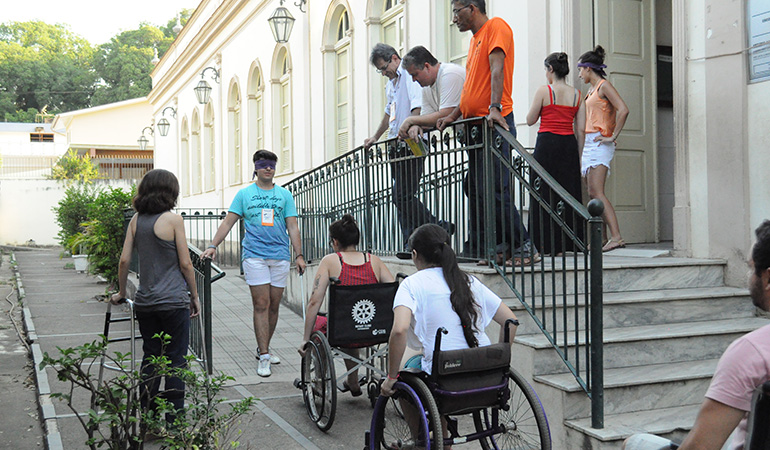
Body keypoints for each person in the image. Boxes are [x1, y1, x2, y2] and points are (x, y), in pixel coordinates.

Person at [623, 220, 770, 450]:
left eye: (751, 268)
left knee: (632, 443)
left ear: (768, 278)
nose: (749, 277)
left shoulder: (751, 354)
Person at [436, 0, 537, 266]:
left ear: (472, 7)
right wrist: (453, 116)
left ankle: (525, 246)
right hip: (475, 127)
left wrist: (495, 107)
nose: (454, 18)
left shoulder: (496, 26)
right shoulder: (474, 41)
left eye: (456, 12)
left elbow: (497, 69)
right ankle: (501, 246)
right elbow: (471, 87)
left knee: (496, 189)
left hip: (493, 122)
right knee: (478, 189)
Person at [381, 223, 519, 397]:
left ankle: (416, 415)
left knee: (406, 365)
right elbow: (511, 321)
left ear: (414, 254)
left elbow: (399, 330)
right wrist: (499, 360)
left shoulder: (411, 284)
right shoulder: (469, 280)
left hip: (444, 374)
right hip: (484, 369)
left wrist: (391, 377)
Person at [201, 150, 306, 378]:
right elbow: (228, 222)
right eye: (264, 164)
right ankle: (265, 355)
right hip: (254, 255)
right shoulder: (244, 194)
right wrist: (213, 245)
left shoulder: (284, 195)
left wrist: (299, 255)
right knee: (261, 303)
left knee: (274, 306)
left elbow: (293, 226)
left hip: (279, 256)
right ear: (256, 168)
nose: (268, 168)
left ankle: (263, 347)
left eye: (272, 165)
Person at [111, 169, 201, 427]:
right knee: (175, 361)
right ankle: (175, 424)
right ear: (170, 192)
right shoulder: (174, 220)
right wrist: (194, 296)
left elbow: (124, 260)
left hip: (146, 303)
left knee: (151, 358)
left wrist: (121, 292)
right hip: (173, 302)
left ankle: (148, 423)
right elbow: (186, 263)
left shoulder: (136, 220)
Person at [297, 214, 394, 396]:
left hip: (343, 330)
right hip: (374, 329)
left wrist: (305, 338)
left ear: (335, 241)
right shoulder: (374, 261)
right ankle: (353, 380)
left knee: (322, 325)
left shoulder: (330, 261)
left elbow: (314, 301)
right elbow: (393, 292)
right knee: (350, 326)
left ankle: (320, 381)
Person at [364, 43, 442, 248]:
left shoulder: (409, 75)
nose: (383, 73)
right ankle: (409, 241)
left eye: (384, 68)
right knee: (401, 197)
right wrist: (375, 137)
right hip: (396, 145)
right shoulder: (391, 84)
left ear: (394, 58)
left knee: (401, 196)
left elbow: (418, 105)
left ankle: (436, 226)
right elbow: (388, 113)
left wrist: (414, 125)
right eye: (380, 70)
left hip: (411, 142)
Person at [525, 52, 586, 256]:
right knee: (567, 192)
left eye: (546, 70)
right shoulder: (577, 95)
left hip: (547, 144)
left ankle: (544, 244)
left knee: (542, 192)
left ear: (550, 69)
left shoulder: (545, 91)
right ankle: (567, 244)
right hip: (568, 145)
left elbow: (530, 119)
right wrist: (579, 156)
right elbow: (581, 130)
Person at [577, 45, 629, 252]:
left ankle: (617, 237)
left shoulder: (604, 86)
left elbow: (623, 109)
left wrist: (613, 135)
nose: (579, 74)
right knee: (592, 193)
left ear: (588, 68)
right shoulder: (591, 90)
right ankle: (603, 237)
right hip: (590, 142)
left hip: (600, 142)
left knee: (597, 191)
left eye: (581, 70)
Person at [398, 45, 466, 141]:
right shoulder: (426, 88)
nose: (413, 80)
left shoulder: (449, 74)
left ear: (427, 66)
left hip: (481, 130)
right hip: (467, 136)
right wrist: (416, 125)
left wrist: (410, 120)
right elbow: (426, 119)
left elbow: (446, 113)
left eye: (415, 74)